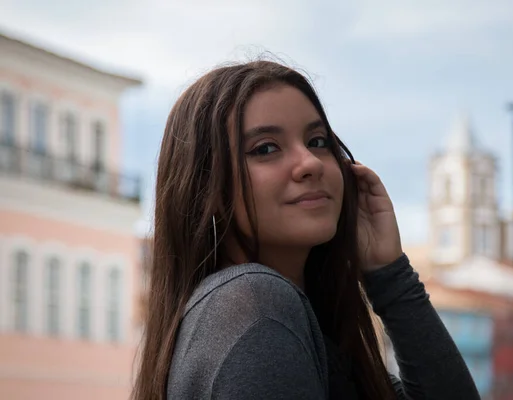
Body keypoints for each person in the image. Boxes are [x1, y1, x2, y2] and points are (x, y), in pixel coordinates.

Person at [132, 60, 480, 400]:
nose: (311, 163)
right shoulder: (255, 306)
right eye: (265, 148)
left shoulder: (296, 329)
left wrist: (389, 273)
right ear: (207, 189)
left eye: (317, 141)